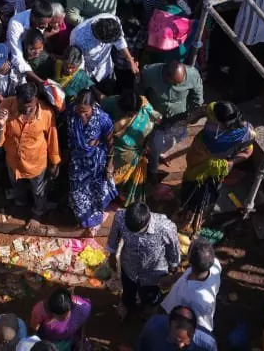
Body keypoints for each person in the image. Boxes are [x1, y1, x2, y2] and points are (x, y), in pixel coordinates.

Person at [0, 81, 60, 227]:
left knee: (39, 191)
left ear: (36, 100)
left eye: (30, 107)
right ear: (17, 99)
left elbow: (52, 139)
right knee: (17, 187)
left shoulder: (46, 113)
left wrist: (54, 163)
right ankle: (20, 204)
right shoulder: (5, 108)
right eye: (23, 106)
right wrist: (1, 125)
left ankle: (38, 212)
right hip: (13, 162)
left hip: (37, 164)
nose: (27, 110)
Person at [177, 101, 253, 233]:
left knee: (198, 190)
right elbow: (248, 152)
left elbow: (248, 152)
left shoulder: (241, 133)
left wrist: (229, 163)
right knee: (199, 186)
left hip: (206, 166)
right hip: (208, 162)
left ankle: (191, 213)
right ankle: (191, 208)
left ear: (222, 123)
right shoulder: (215, 110)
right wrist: (230, 163)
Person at [106, 202, 181, 316]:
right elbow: (114, 237)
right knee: (128, 291)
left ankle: (147, 308)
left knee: (149, 295)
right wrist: (112, 255)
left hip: (153, 272)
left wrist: (173, 266)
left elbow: (173, 247)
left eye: (138, 232)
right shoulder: (120, 217)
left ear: (146, 223)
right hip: (129, 266)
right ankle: (128, 304)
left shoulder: (165, 227)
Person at [66, 90, 117, 231]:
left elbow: (110, 143)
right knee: (77, 193)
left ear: (93, 106)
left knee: (95, 194)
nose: (82, 115)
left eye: (86, 112)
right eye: (79, 111)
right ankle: (84, 219)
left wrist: (110, 164)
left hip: (95, 163)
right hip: (77, 162)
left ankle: (93, 220)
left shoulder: (103, 119)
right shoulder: (71, 113)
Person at [106, 90, 160, 205]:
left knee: (125, 181)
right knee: (114, 178)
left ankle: (121, 195)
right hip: (116, 154)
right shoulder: (110, 104)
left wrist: (147, 143)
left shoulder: (144, 104)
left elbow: (154, 122)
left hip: (137, 152)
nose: (133, 116)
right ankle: (114, 195)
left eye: (135, 112)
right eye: (129, 114)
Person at [161, 239, 221, 331]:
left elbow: (203, 327)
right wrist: (173, 278)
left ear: (188, 258)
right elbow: (188, 272)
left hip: (176, 319)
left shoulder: (198, 301)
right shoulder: (214, 264)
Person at [136, 306, 217, 351]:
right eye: (176, 339)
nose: (180, 346)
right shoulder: (152, 329)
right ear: (169, 327)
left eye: (185, 341)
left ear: (194, 331)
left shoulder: (208, 344)